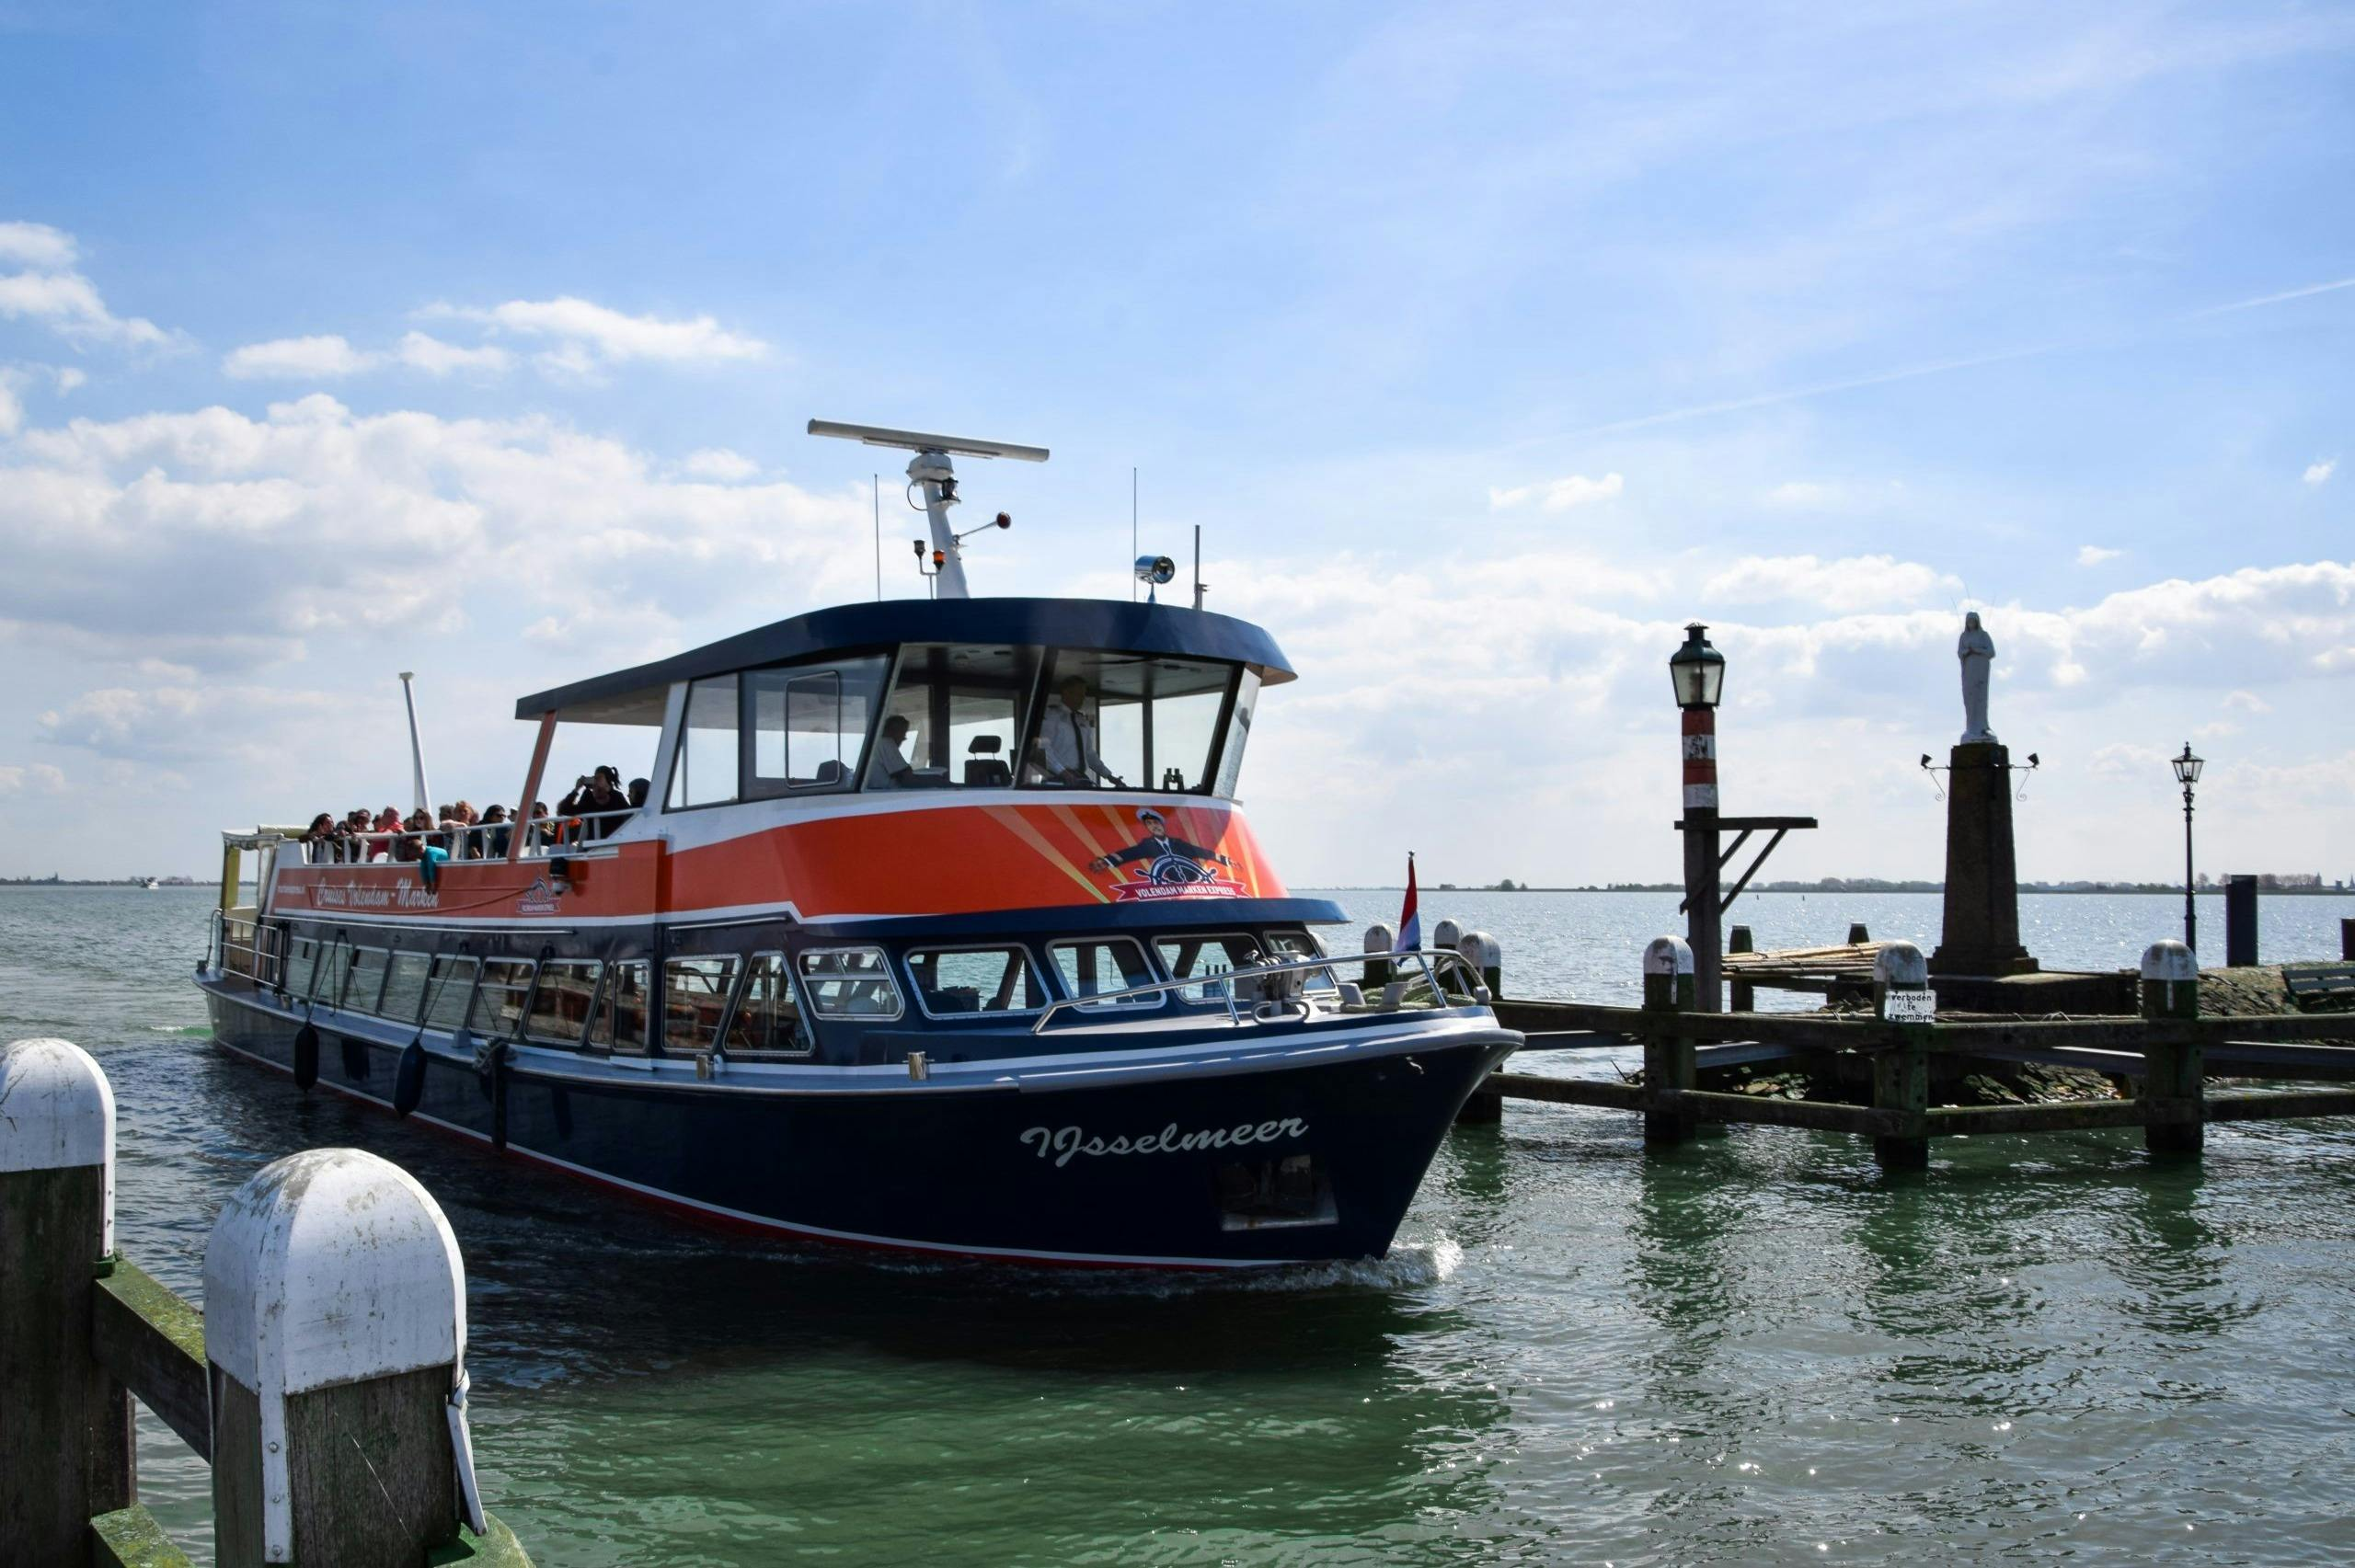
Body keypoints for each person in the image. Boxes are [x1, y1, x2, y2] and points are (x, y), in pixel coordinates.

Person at [1037, 676, 1124, 787]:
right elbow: (1043, 750)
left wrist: (1109, 776)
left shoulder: (1081, 720)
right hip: (1057, 779)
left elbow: (1089, 754)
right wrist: (1062, 772)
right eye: (1079, 695)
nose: (1082, 699)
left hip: (1079, 778)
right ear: (1066, 693)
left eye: (1083, 695)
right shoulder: (1051, 717)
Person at [559, 767, 629, 841]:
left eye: (599, 778)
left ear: (608, 780)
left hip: (615, 840)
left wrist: (608, 790)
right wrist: (576, 790)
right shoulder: (588, 797)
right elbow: (564, 809)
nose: (596, 781)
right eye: (594, 778)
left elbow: (630, 815)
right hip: (592, 843)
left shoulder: (617, 796)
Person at [868, 715, 915, 789]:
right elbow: (907, 777)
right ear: (892, 731)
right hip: (889, 793)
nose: (904, 738)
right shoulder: (885, 742)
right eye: (903, 733)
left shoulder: (875, 744)